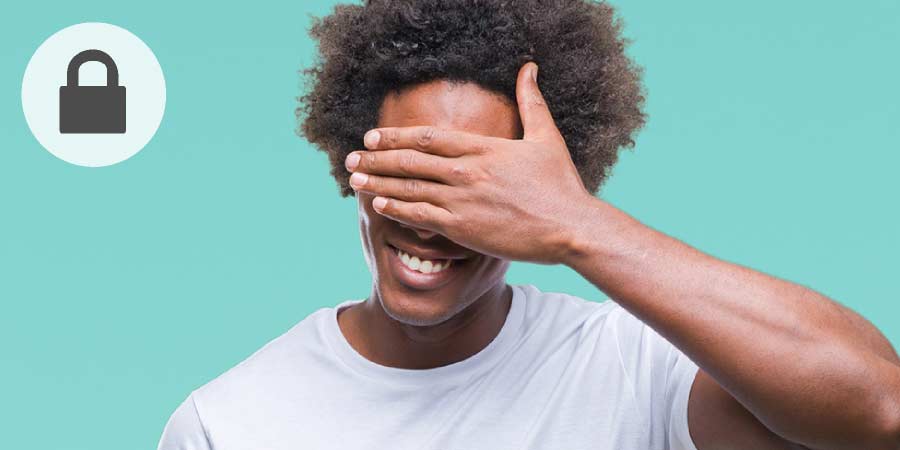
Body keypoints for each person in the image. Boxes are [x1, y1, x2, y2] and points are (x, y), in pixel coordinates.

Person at [158, 1, 900, 449]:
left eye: (479, 186)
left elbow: (879, 411)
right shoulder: (229, 423)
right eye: (410, 174)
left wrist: (581, 227)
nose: (433, 223)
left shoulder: (634, 371)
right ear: (352, 162)